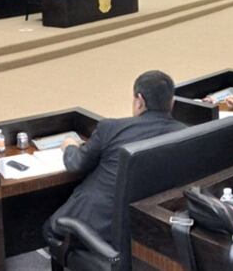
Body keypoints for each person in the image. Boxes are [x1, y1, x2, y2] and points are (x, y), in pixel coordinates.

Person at [44, 71, 186, 248]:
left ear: (139, 101)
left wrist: (70, 146)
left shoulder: (111, 128)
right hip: (147, 229)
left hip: (96, 226)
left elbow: (76, 164)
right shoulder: (186, 134)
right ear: (172, 102)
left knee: (49, 228)